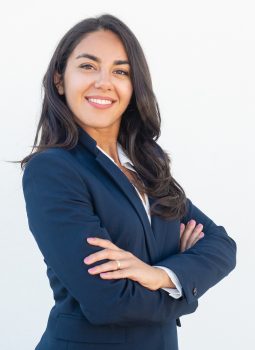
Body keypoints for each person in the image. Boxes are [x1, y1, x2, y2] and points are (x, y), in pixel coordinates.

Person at [21, 13, 237, 350]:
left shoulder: (147, 165)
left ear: (133, 86)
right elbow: (109, 302)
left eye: (120, 71)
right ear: (60, 80)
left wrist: (157, 275)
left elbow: (221, 245)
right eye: (88, 66)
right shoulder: (53, 171)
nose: (104, 82)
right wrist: (183, 282)